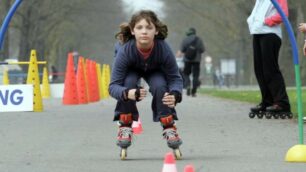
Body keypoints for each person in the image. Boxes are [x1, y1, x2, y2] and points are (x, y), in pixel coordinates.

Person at [109, 10, 183, 159]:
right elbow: (113, 86)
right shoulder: (125, 51)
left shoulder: (163, 49)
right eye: (139, 27)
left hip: (154, 69)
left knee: (160, 86)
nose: (144, 32)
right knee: (128, 84)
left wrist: (176, 94)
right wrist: (127, 93)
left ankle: (169, 125)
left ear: (155, 31)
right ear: (132, 30)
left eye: (149, 28)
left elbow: (175, 78)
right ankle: (125, 123)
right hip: (131, 69)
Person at [247, 0, 292, 119]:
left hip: (270, 34)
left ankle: (282, 103)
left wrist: (267, 21)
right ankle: (267, 101)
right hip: (257, 33)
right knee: (259, 70)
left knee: (270, 69)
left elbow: (283, 13)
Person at [179, 27, 205, 97]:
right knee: (195, 75)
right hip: (197, 60)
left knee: (186, 74)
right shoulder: (199, 39)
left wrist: (188, 51)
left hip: (187, 60)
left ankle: (188, 86)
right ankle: (194, 92)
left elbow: (182, 50)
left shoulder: (185, 40)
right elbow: (202, 50)